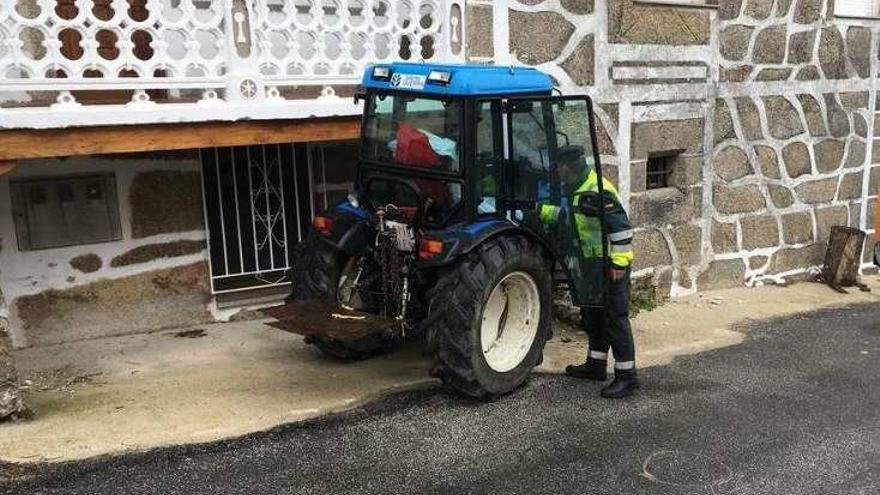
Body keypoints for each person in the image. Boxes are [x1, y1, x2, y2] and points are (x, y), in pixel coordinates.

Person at [538, 145, 638, 399]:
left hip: (609, 266)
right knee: (594, 317)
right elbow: (571, 219)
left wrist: (618, 264)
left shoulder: (596, 190)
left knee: (615, 319)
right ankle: (595, 365)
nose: (557, 171)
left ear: (567, 166)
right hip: (591, 266)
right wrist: (539, 212)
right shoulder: (578, 189)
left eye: (558, 166)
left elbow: (622, 229)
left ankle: (627, 376)